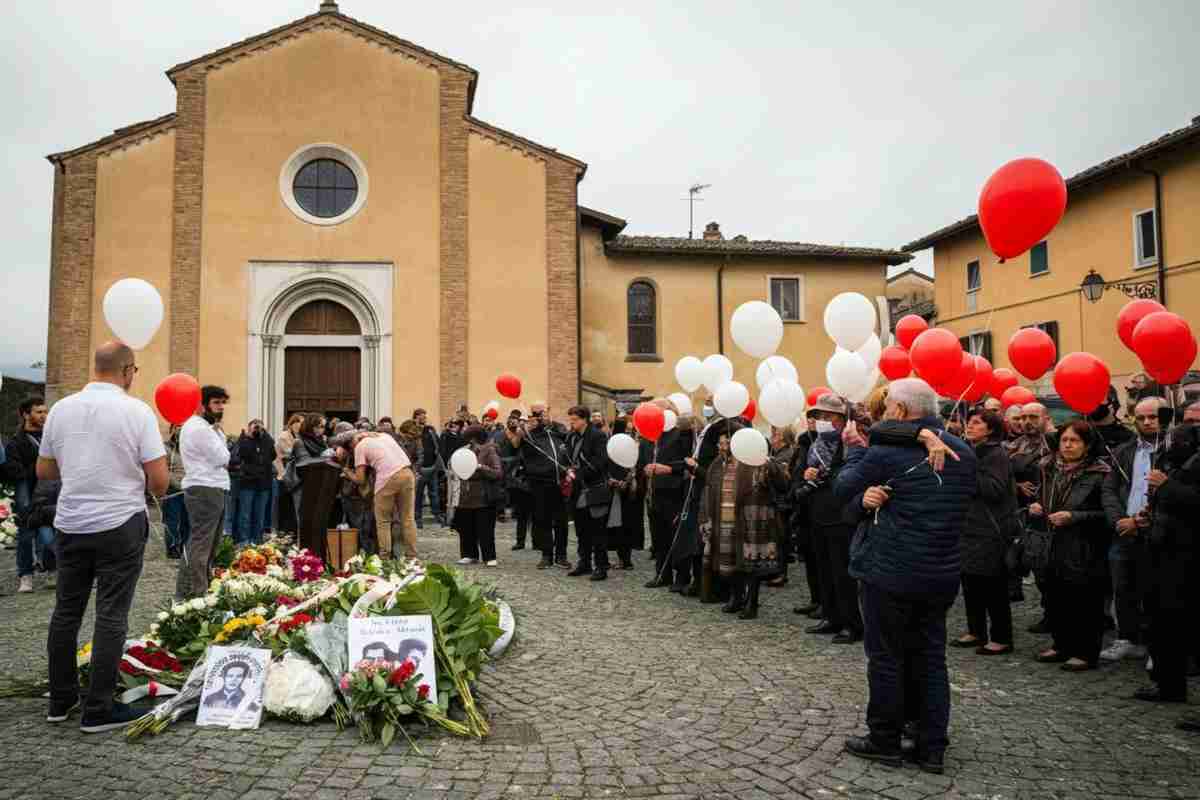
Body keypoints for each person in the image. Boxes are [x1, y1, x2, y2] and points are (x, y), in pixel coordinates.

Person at [836, 378, 976, 774]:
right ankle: (932, 747)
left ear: (898, 412)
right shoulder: (964, 451)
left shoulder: (885, 452)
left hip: (890, 571)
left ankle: (885, 739)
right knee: (931, 657)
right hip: (941, 572)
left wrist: (853, 452)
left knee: (886, 657)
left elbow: (842, 488)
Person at [38, 341, 168, 732]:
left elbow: (44, 471)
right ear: (128, 370)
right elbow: (160, 482)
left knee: (66, 611)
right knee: (111, 613)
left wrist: (82, 467)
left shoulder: (60, 409)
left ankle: (60, 701)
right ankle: (98, 708)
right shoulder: (136, 411)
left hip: (72, 522)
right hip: (119, 522)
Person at [1031, 420, 1111, 672]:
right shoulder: (1047, 468)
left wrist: (1074, 517)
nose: (1067, 445)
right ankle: (1061, 644)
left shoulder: (1100, 473)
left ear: (1086, 446)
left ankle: (1085, 651)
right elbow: (1041, 497)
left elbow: (1107, 514)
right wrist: (1035, 506)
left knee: (1085, 600)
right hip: (1052, 541)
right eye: (1064, 440)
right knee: (1055, 595)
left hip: (1086, 544)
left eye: (1074, 440)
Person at [1136, 418, 1200, 704]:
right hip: (1161, 551)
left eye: (1179, 441)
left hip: (1186, 558)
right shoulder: (1174, 465)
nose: (1173, 445)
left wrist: (1167, 486)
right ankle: (1167, 684)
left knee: (1179, 625)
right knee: (1160, 623)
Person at [699, 421, 789, 619]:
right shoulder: (717, 464)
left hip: (752, 523)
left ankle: (752, 602)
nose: (721, 448)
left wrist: (769, 465)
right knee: (731, 561)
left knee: (751, 564)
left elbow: (781, 484)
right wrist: (706, 518)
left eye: (725, 444)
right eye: (720, 444)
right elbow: (709, 488)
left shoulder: (755, 460)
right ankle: (736, 596)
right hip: (725, 520)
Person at [1098, 396, 1161, 662]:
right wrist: (1119, 520)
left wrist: (1141, 521)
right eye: (1141, 416)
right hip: (1123, 531)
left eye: (1153, 416)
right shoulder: (1125, 450)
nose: (1146, 422)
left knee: (1155, 590)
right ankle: (1128, 638)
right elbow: (1110, 488)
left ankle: (1156, 645)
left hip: (1157, 531)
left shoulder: (1172, 450)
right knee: (1123, 587)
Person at [799, 394, 863, 644]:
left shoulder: (852, 439)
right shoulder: (818, 444)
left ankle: (852, 623)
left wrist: (828, 473)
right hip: (820, 511)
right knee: (824, 568)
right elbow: (810, 472)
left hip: (841, 513)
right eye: (820, 416)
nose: (823, 420)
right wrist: (810, 473)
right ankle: (831, 615)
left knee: (842, 572)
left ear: (840, 417)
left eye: (827, 416)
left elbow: (854, 472)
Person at [954, 410, 1018, 655]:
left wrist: (968, 470)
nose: (970, 426)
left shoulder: (996, 454)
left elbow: (994, 489)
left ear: (990, 429)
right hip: (969, 527)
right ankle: (976, 630)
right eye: (969, 422)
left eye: (977, 423)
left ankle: (1001, 637)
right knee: (971, 582)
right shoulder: (971, 451)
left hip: (991, 528)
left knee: (993, 585)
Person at [175, 386, 232, 600]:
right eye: (216, 403)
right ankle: (195, 593)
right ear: (202, 404)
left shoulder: (208, 427)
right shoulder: (199, 428)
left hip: (212, 487)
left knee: (209, 545)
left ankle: (197, 590)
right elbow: (223, 458)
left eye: (222, 403)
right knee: (201, 544)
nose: (221, 408)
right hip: (205, 488)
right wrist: (218, 435)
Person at [5, 395, 53, 592]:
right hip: (27, 495)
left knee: (50, 535)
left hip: (50, 495)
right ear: (26, 414)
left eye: (45, 411)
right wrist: (38, 466)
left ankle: (51, 569)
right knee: (26, 536)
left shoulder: (51, 437)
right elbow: (12, 470)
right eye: (39, 412)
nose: (43, 415)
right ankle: (26, 575)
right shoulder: (15, 442)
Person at [643, 397, 692, 591]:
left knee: (676, 537)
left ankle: (682, 576)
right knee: (659, 538)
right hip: (654, 494)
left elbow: (689, 462)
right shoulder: (651, 437)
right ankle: (662, 574)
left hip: (675, 493)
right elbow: (644, 460)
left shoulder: (681, 434)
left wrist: (668, 468)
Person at [345, 431, 418, 560]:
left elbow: (360, 479)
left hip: (387, 478)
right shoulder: (385, 436)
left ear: (352, 443)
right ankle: (412, 557)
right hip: (407, 473)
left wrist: (347, 472)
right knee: (408, 519)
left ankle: (385, 558)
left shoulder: (360, 446)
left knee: (383, 521)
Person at [515, 403, 571, 569]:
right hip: (539, 483)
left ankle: (561, 555)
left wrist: (550, 423)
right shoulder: (530, 434)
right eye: (536, 413)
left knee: (561, 521)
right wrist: (522, 431)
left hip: (560, 483)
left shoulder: (558, 430)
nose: (540, 416)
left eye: (543, 412)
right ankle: (547, 555)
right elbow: (515, 445)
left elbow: (567, 438)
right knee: (543, 520)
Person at [565, 405, 612, 580]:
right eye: (570, 419)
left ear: (584, 419)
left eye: (575, 419)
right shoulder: (571, 437)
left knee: (598, 530)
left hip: (595, 488)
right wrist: (568, 471)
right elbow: (569, 459)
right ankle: (584, 562)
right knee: (581, 529)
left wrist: (578, 473)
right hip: (578, 491)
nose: (572, 423)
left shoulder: (597, 436)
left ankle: (601, 566)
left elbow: (600, 462)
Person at [453, 424, 503, 566]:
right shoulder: (465, 451)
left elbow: (498, 472)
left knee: (485, 528)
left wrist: (480, 467)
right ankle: (469, 555)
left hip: (483, 497)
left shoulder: (490, 450)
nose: (468, 442)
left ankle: (489, 557)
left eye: (469, 439)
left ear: (474, 439)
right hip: (466, 496)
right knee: (466, 527)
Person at [605, 418, 643, 570]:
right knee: (617, 526)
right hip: (615, 490)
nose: (629, 433)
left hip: (625, 492)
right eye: (627, 430)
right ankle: (620, 558)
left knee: (624, 525)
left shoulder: (630, 445)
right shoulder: (612, 445)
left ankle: (625, 560)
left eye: (630, 430)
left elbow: (635, 466)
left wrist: (626, 481)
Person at [234, 419, 275, 546]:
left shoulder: (267, 441)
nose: (257, 429)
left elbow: (272, 456)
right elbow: (240, 455)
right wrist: (246, 437)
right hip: (247, 482)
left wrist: (265, 434)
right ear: (249, 428)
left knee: (260, 515)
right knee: (245, 515)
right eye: (255, 427)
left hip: (263, 483)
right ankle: (244, 542)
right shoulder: (244, 441)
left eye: (260, 427)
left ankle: (257, 541)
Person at [499, 412, 533, 551]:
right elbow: (515, 444)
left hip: (532, 475)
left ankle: (537, 541)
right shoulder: (512, 434)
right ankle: (520, 541)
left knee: (535, 513)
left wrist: (525, 431)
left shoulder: (532, 435)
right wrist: (519, 432)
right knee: (522, 513)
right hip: (519, 476)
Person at [412, 409, 445, 528]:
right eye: (422, 416)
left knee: (434, 493)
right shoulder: (413, 430)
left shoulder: (430, 430)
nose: (424, 417)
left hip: (432, 467)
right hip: (419, 469)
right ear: (416, 417)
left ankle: (437, 515)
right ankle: (417, 518)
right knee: (418, 495)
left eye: (425, 415)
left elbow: (438, 444)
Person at [162, 424, 190, 559]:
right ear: (172, 430)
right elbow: (165, 470)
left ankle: (185, 546)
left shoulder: (189, 447)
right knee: (172, 520)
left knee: (187, 520)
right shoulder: (165, 448)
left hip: (189, 490)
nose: (180, 430)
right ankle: (173, 547)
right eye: (177, 427)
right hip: (173, 491)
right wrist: (179, 485)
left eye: (182, 427)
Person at [275, 414, 303, 534]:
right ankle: (285, 532)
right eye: (299, 423)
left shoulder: (299, 436)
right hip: (285, 474)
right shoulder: (284, 436)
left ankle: (293, 531)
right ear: (292, 424)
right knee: (287, 505)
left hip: (296, 475)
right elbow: (290, 452)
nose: (301, 425)